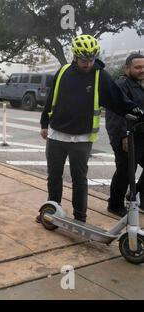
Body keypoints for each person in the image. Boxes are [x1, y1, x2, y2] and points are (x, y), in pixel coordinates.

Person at [38, 35, 143, 223]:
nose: (87, 64)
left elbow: (117, 99)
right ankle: (52, 211)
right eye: (84, 60)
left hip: (82, 138)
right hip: (56, 134)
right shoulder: (62, 72)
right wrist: (44, 123)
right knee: (54, 176)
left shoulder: (99, 75)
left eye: (91, 60)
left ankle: (80, 218)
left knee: (80, 179)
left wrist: (135, 110)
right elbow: (51, 100)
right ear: (75, 57)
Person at [106, 53, 144, 217]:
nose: (142, 70)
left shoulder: (140, 85)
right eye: (138, 67)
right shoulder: (121, 85)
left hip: (142, 136)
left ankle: (136, 195)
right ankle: (114, 205)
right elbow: (115, 114)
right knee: (126, 171)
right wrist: (123, 136)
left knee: (129, 170)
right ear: (127, 68)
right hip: (127, 136)